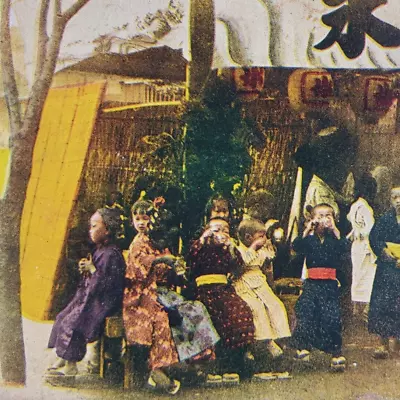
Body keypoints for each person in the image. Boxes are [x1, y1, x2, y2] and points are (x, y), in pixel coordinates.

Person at [123, 199, 219, 394]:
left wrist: (177, 272)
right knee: (164, 317)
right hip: (144, 292)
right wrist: (159, 260)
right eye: (138, 218)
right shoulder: (137, 243)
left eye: (146, 218)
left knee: (195, 309)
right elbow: (136, 271)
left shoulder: (159, 242)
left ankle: (197, 361)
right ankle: (165, 367)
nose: (142, 223)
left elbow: (168, 273)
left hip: (163, 292)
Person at [46, 208, 126, 377]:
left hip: (105, 302)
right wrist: (87, 269)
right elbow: (94, 276)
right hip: (94, 296)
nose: (90, 230)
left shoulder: (111, 254)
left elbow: (109, 284)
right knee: (63, 316)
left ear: (108, 230)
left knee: (74, 322)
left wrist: (93, 270)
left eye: (94, 226)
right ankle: (63, 356)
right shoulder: (100, 250)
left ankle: (71, 365)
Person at [187, 218, 255, 383]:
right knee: (215, 315)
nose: (221, 233)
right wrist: (203, 239)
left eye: (225, 230)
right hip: (204, 289)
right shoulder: (201, 247)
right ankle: (214, 366)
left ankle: (235, 363)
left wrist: (232, 249)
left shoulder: (227, 250)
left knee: (240, 311)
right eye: (216, 230)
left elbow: (238, 267)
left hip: (223, 289)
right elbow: (191, 259)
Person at [291, 203, 349, 371]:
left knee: (331, 317)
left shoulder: (334, 240)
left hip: (329, 284)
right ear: (312, 219)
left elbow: (344, 248)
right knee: (307, 313)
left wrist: (336, 230)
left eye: (328, 216)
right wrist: (308, 229)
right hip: (312, 283)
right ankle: (304, 348)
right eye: (320, 216)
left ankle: (336, 353)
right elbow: (296, 246)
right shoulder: (309, 240)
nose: (324, 219)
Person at [234, 218, 291, 359]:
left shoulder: (262, 251)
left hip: (260, 282)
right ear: (248, 237)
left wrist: (268, 261)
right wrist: (253, 247)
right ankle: (267, 342)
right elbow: (240, 266)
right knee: (257, 308)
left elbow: (266, 270)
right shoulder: (239, 250)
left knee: (275, 305)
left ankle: (281, 339)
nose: (264, 240)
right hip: (244, 283)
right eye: (261, 236)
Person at [368, 184, 400, 359]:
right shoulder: (384, 219)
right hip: (387, 270)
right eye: (395, 197)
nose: (398, 201)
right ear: (390, 200)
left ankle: (397, 343)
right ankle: (382, 343)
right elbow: (374, 238)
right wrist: (383, 252)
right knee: (383, 303)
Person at [347, 174, 377, 317]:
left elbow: (353, 225)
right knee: (368, 275)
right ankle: (365, 309)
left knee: (357, 274)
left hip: (356, 245)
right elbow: (370, 229)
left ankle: (356, 306)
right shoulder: (365, 208)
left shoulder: (354, 206)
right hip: (365, 245)